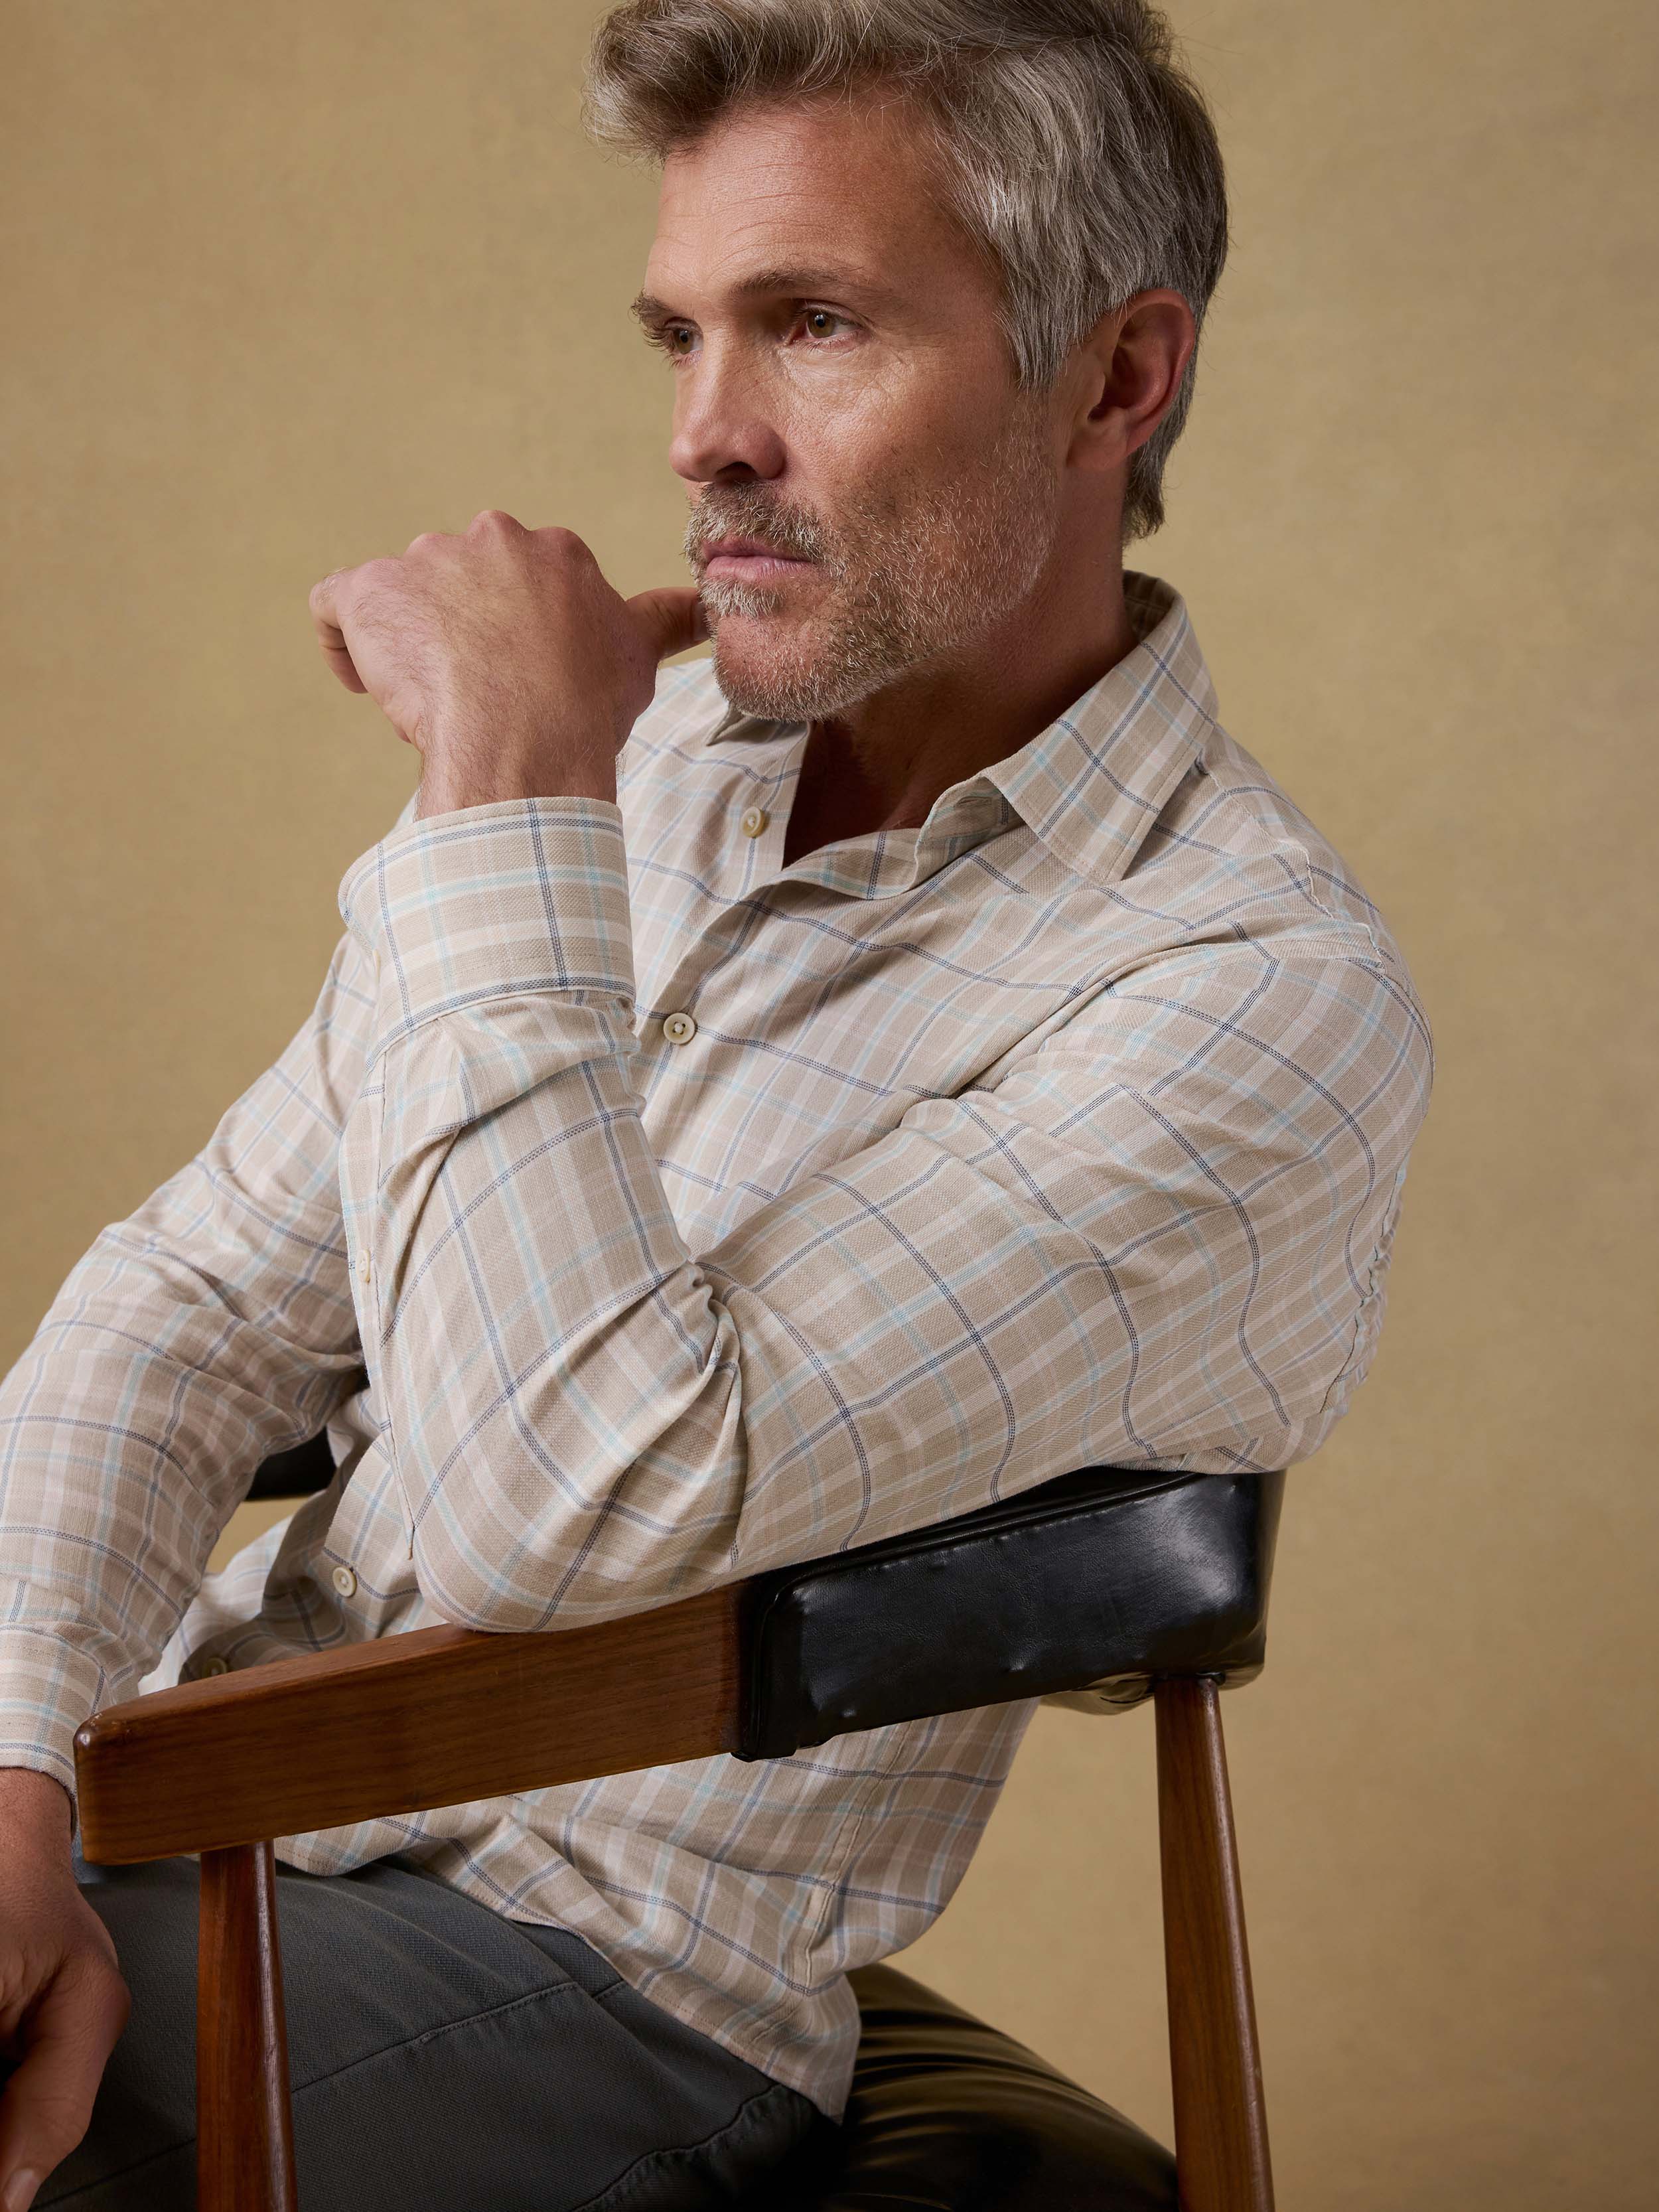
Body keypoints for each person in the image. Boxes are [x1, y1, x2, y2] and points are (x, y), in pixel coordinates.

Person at [0, 2, 1433, 2204]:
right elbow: (191, 1296)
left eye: (815, 326)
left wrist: (501, 795)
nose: (702, 435)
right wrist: (11, 1777)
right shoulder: (650, 780)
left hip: (594, 1980)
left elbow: (558, 1511)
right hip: (182, 1812)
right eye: (680, 334)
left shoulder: (1247, 1001)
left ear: (1114, 378)